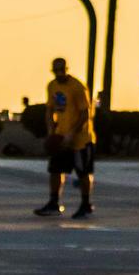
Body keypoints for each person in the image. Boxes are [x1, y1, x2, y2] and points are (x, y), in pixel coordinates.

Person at [34, 57, 95, 219]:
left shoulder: (77, 86)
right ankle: (54, 202)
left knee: (83, 172)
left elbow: (85, 114)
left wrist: (72, 133)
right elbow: (49, 110)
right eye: (56, 70)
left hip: (81, 138)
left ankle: (86, 204)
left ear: (67, 69)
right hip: (61, 136)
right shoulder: (52, 86)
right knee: (55, 170)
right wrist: (51, 131)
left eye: (62, 69)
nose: (59, 73)